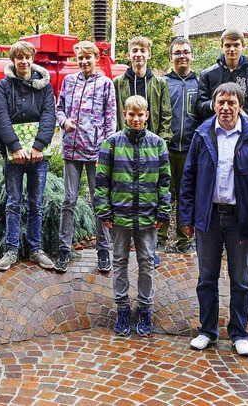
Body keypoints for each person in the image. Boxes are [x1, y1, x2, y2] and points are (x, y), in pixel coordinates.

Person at [180, 83, 248, 357]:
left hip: (240, 219)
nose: (226, 107)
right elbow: (188, 177)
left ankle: (240, 334)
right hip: (208, 217)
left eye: (231, 102)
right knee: (207, 278)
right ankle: (207, 330)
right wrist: (186, 215)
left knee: (240, 279)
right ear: (214, 104)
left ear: (240, 105)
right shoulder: (202, 134)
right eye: (221, 102)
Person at [94, 95, 171, 337]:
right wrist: (104, 210)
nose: (136, 119)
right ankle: (122, 307)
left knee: (147, 262)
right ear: (124, 115)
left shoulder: (158, 144)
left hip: (148, 215)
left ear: (147, 115)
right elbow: (101, 181)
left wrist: (163, 209)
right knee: (119, 261)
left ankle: (145, 308)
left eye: (140, 114)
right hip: (120, 215)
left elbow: (165, 181)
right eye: (131, 114)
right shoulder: (112, 143)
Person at [0, 41, 56, 272]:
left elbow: (50, 114)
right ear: (13, 60)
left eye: (27, 57)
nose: (23, 61)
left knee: (35, 203)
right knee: (13, 202)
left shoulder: (44, 87)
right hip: (14, 155)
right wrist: (15, 146)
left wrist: (39, 145)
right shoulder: (3, 86)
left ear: (33, 59)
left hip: (38, 156)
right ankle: (11, 250)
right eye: (19, 57)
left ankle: (35, 249)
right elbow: (1, 116)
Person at [55, 41, 116, 273]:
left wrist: (107, 151)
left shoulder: (105, 84)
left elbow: (110, 118)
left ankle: (103, 250)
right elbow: (59, 108)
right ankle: (64, 249)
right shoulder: (69, 81)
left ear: (96, 58)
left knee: (98, 200)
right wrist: (64, 121)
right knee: (68, 200)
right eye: (80, 58)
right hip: (71, 150)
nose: (83, 62)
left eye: (88, 57)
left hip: (95, 152)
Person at [113, 36, 172, 267]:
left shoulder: (159, 84)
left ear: (149, 54)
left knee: (150, 196)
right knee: (125, 192)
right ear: (129, 55)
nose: (138, 54)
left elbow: (166, 115)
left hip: (151, 148)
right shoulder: (118, 82)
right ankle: (123, 246)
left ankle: (150, 248)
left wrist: (161, 144)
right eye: (134, 50)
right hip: (124, 148)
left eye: (142, 50)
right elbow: (114, 113)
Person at [164, 37, 199, 254]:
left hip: (190, 149)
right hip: (166, 149)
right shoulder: (163, 82)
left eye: (186, 52)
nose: (182, 56)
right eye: (177, 52)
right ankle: (158, 238)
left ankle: (184, 240)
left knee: (186, 195)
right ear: (171, 57)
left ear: (191, 55)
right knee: (164, 194)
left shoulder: (200, 83)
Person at [196, 28, 248, 129]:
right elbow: (200, 107)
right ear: (222, 46)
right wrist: (217, 103)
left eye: (236, 45)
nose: (232, 49)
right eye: (228, 45)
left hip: (245, 134)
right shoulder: (208, 74)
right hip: (214, 133)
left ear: (243, 45)